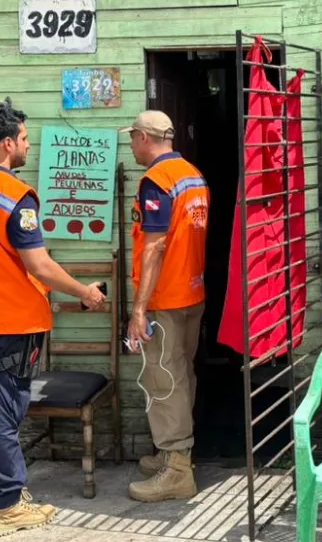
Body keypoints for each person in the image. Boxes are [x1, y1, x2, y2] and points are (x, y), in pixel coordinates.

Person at [0, 98, 106, 537]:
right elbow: (39, 265)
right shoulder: (14, 196)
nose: (29, 146)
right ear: (8, 144)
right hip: (9, 323)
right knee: (5, 413)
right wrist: (85, 292)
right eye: (25, 139)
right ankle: (8, 505)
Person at [120, 110, 209, 503]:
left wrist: (139, 310)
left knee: (164, 379)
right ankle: (174, 454)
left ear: (144, 137)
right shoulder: (193, 175)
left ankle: (177, 470)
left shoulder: (157, 181)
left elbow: (154, 247)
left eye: (132, 138)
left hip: (165, 299)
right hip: (192, 292)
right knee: (181, 373)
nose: (131, 146)